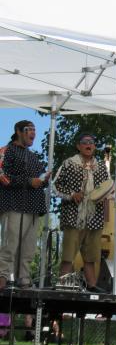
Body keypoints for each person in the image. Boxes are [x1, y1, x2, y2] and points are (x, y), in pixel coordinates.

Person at [53, 133, 110, 293]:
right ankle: (63, 284)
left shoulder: (101, 167)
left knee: (91, 255)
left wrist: (104, 196)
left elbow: (109, 187)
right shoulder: (69, 163)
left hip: (94, 217)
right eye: (85, 142)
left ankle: (91, 285)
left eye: (92, 142)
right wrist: (72, 194)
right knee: (68, 254)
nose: (89, 144)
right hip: (73, 216)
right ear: (78, 146)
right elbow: (55, 186)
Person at [0, 121, 50, 290]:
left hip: (33, 207)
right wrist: (30, 181)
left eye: (35, 130)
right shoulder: (6, 151)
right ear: (18, 131)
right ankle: (3, 277)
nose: (33, 133)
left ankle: (24, 279)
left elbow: (39, 180)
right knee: (10, 245)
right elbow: (3, 177)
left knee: (28, 249)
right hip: (14, 205)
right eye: (30, 130)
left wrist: (44, 179)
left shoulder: (32, 156)